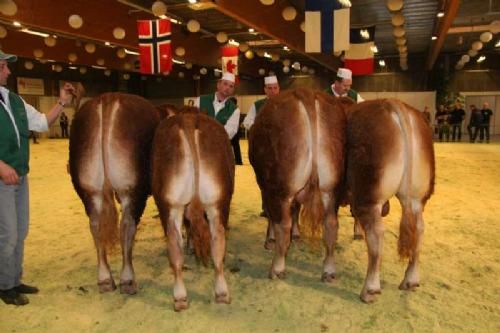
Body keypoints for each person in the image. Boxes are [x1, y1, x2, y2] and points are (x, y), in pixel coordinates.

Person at [0, 50, 75, 306]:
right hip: (1, 178)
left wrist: (62, 102)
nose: (8, 72)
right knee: (7, 233)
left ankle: (14, 279)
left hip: (20, 175)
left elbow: (43, 122)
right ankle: (4, 285)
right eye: (3, 67)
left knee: (20, 231)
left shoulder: (16, 101)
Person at [194, 72, 240, 141]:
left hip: (219, 146)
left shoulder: (235, 110)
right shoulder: (200, 100)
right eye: (225, 84)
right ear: (218, 85)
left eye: (231, 86)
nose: (228, 88)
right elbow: (192, 121)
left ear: (233, 90)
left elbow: (229, 132)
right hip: (198, 143)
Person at [227, 97, 243, 165]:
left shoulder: (233, 110)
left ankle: (232, 160)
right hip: (236, 131)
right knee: (236, 146)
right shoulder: (237, 110)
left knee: (230, 147)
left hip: (233, 131)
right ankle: (238, 161)